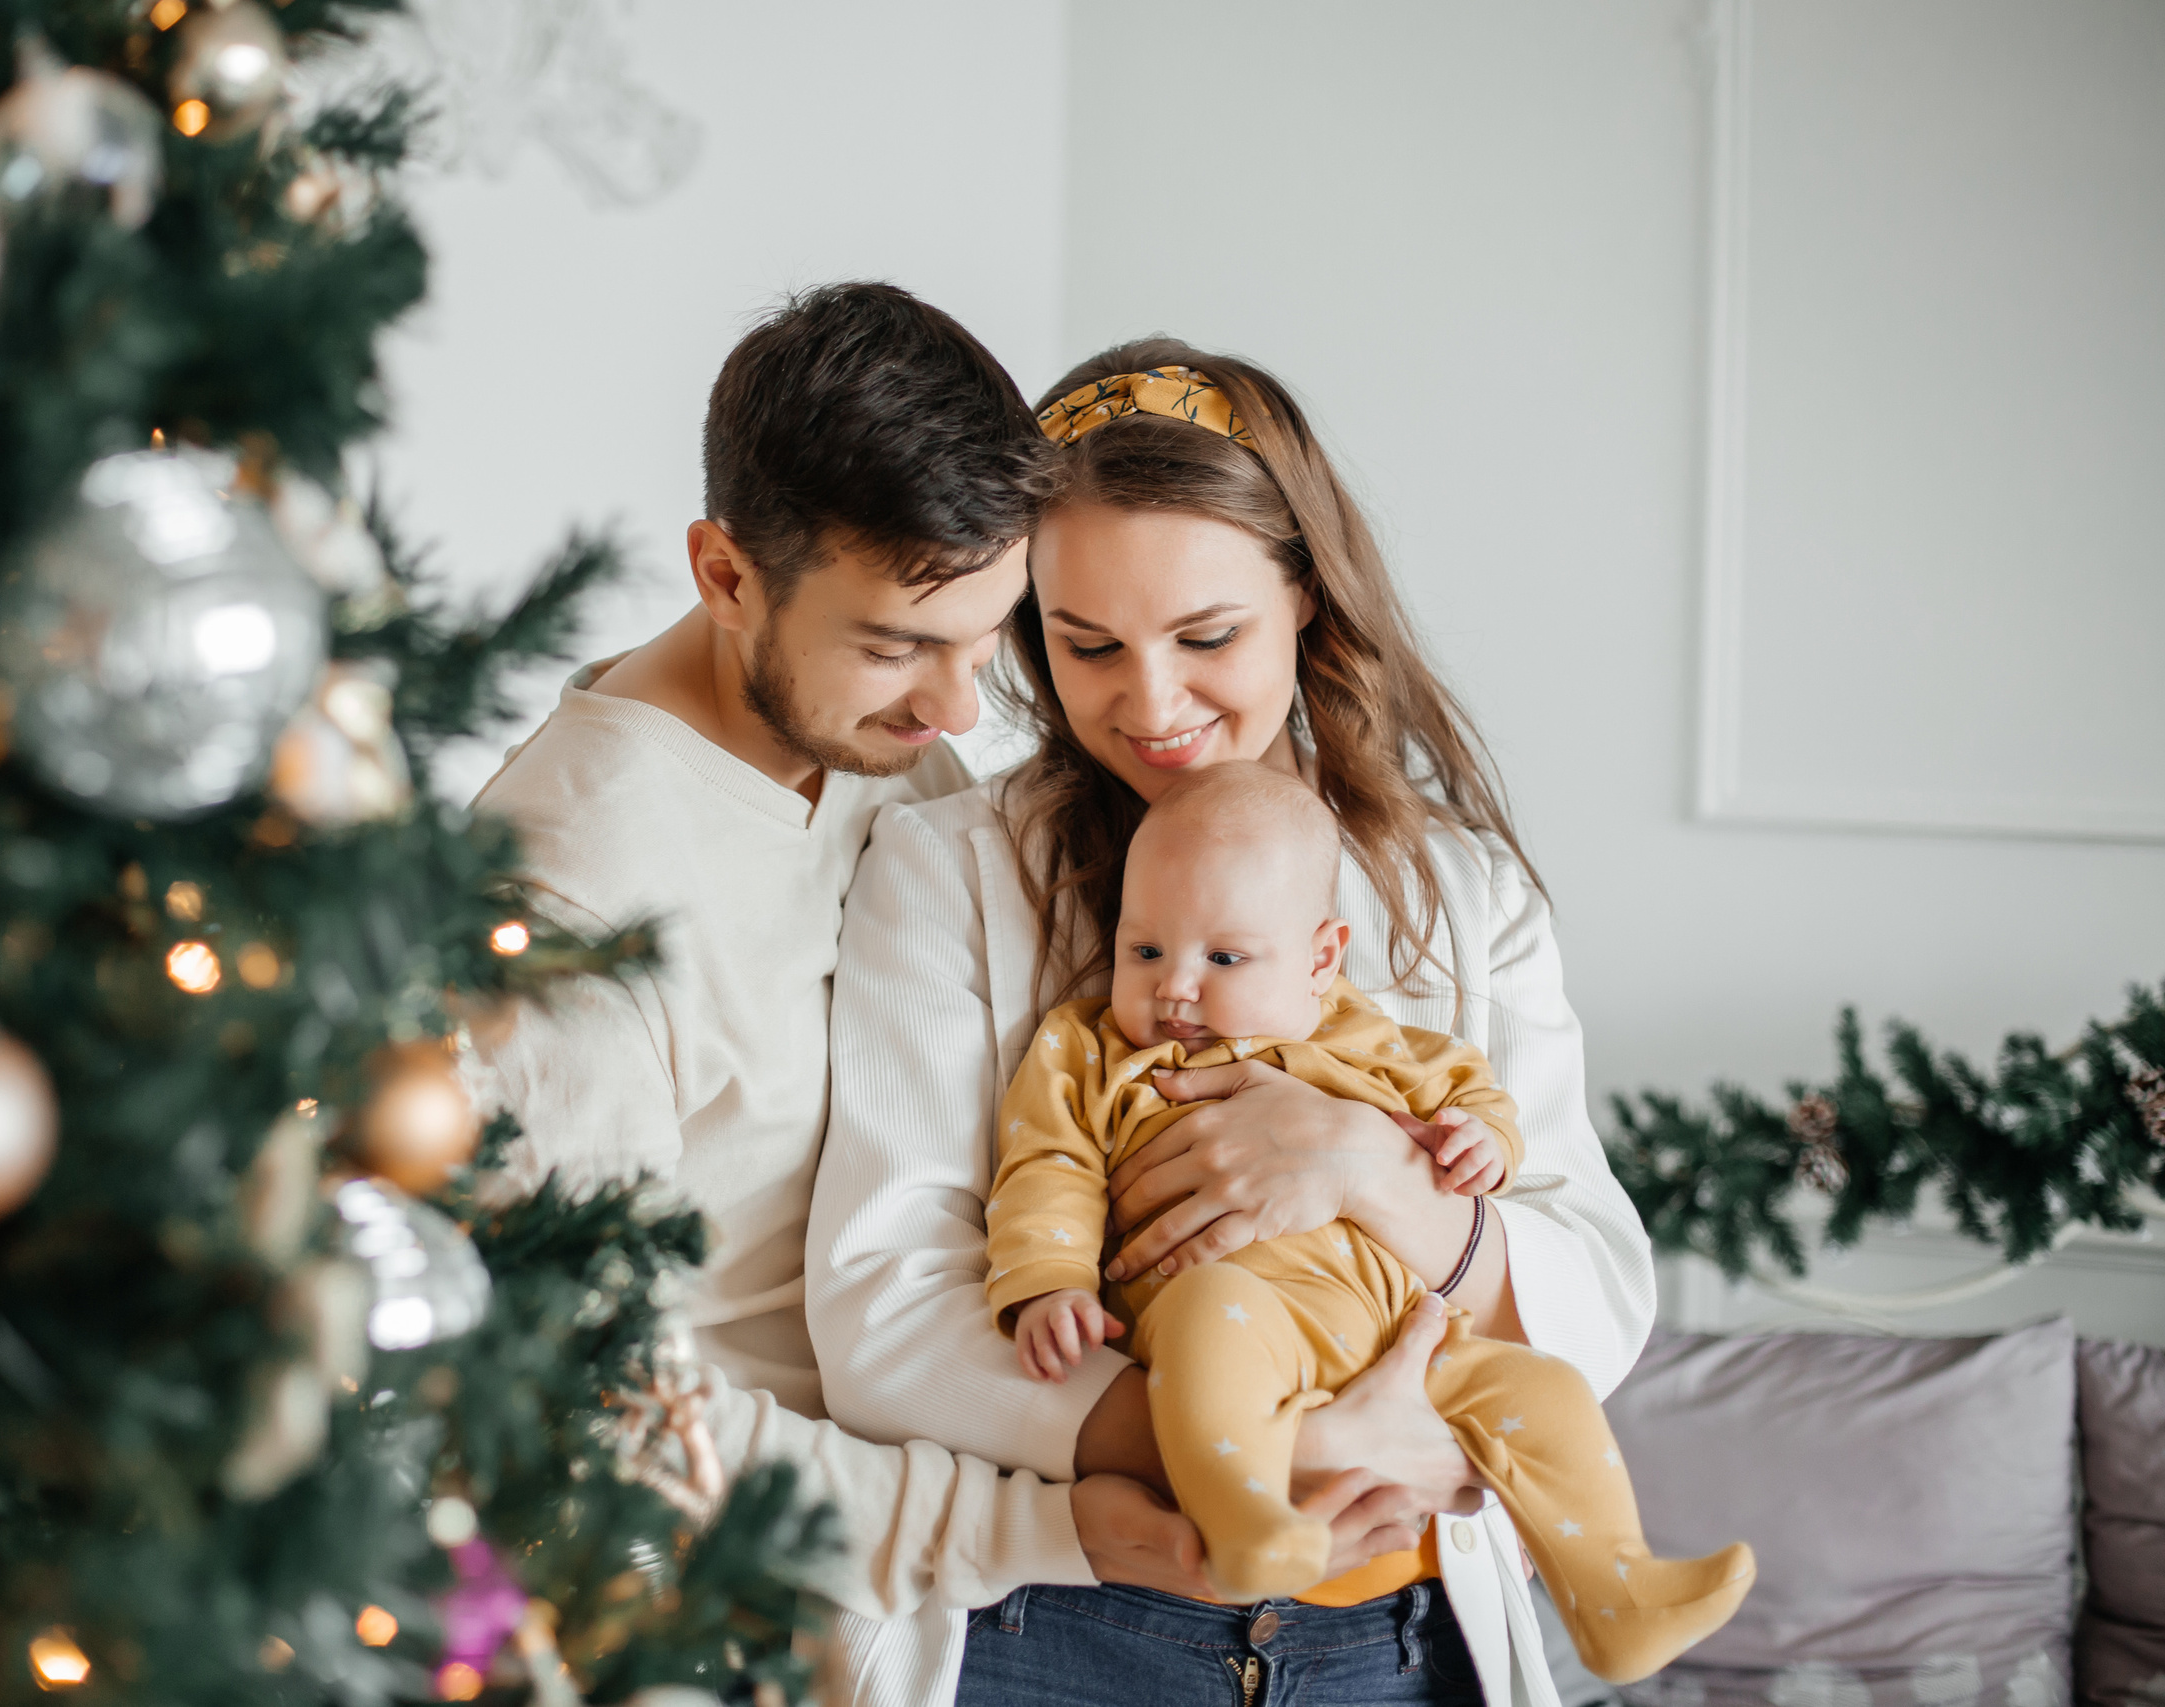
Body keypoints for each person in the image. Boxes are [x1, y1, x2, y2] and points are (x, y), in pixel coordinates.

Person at [479, 290, 1464, 1707]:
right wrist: (1056, 1513)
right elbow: (594, 1407)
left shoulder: (875, 754)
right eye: (894, 643)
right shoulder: (570, 898)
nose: (957, 710)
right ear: (724, 573)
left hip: (912, 1598)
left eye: (985, 635)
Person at [805, 348, 1657, 1706]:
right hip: (1063, 1633)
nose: (1151, 705)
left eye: (1206, 637)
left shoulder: (1462, 894)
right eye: (1088, 645)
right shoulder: (945, 870)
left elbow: (1597, 1290)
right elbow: (884, 1313)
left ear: (1306, 599)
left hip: (1395, 1636)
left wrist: (1367, 1169)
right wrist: (1275, 1448)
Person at [992, 762, 1752, 1676]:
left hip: (1406, 1338)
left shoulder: (1364, 1038)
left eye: (1223, 958)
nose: (1175, 988)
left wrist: (1483, 1144)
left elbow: (1471, 1097)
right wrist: (1049, 1280)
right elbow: (1050, 1164)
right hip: (1239, 1314)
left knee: (1540, 1389)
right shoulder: (1089, 1051)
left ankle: (1616, 1589)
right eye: (1144, 950)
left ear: (1320, 957)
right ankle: (1246, 1520)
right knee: (1207, 1327)